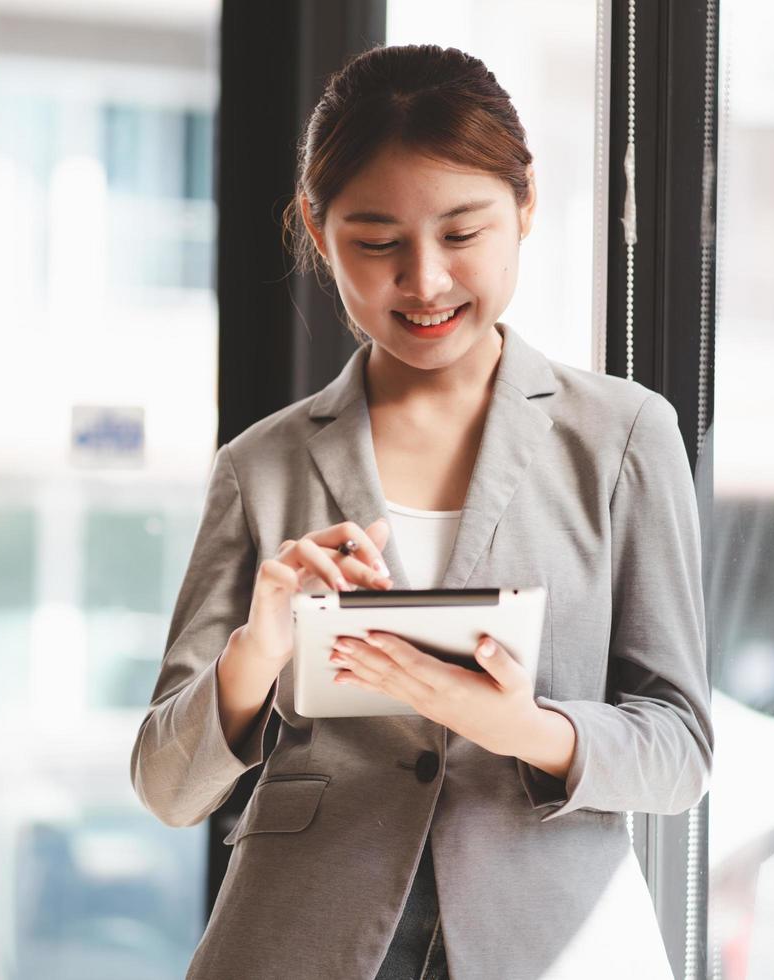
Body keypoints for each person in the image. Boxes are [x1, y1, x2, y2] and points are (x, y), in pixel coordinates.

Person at [131, 44, 713, 979]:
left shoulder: (622, 437)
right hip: (301, 942)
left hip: (553, 938)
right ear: (320, 238)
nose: (426, 280)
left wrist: (522, 726)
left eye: (463, 231)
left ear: (525, 210)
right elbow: (166, 784)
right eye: (377, 242)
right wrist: (257, 651)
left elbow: (679, 750)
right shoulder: (262, 466)